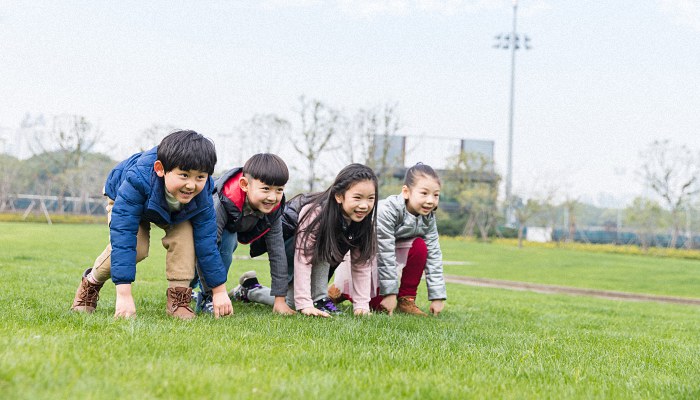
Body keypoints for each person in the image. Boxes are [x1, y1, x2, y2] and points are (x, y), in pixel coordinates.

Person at [70, 130, 233, 320]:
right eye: (184, 175)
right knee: (137, 248)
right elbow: (123, 236)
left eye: (200, 177)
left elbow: (207, 242)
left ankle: (178, 300)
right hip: (127, 199)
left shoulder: (201, 194)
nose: (191, 185)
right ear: (160, 168)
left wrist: (219, 291)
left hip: (176, 209)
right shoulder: (136, 179)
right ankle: (91, 282)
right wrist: (124, 295)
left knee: (185, 238)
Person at [233, 163, 378, 317]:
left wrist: (361, 305)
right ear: (339, 196)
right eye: (357, 198)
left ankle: (250, 287)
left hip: (319, 259)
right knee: (295, 303)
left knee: (292, 302)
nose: (364, 205)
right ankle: (251, 291)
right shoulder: (316, 213)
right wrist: (305, 304)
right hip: (288, 245)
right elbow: (304, 258)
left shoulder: (363, 223)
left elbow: (361, 264)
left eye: (371, 198)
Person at [331, 163, 446, 316]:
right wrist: (390, 294)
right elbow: (385, 253)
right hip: (367, 255)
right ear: (406, 192)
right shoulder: (387, 210)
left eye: (436, 195)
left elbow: (434, 254)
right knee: (377, 306)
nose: (430, 200)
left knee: (420, 246)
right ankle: (340, 291)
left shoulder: (428, 218)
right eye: (424, 193)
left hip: (391, 255)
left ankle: (406, 300)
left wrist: (437, 296)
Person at [193, 153, 295, 315]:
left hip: (230, 229)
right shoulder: (219, 203)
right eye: (266, 189)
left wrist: (280, 299)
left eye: (279, 190)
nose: (272, 197)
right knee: (221, 245)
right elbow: (207, 247)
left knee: (227, 244)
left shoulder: (274, 210)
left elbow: (277, 253)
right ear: (244, 184)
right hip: (199, 226)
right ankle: (205, 295)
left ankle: (205, 291)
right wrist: (217, 292)